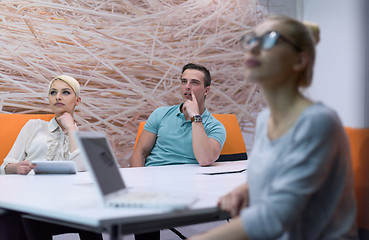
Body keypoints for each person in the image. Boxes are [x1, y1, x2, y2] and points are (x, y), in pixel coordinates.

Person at [190, 15, 357, 240]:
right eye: (251, 40)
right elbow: (278, 177)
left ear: (299, 61)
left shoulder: (318, 122)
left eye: (270, 39)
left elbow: (275, 217)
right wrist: (247, 189)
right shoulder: (264, 120)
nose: (254, 48)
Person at [129, 63, 227, 240]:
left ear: (206, 90)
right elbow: (139, 152)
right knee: (143, 211)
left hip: (187, 187)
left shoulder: (215, 127)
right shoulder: (160, 114)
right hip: (153, 184)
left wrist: (196, 117)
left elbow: (205, 159)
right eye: (184, 81)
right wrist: (139, 184)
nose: (187, 87)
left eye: (195, 82)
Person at [0, 75, 102, 240]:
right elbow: (6, 164)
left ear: (77, 100)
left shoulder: (78, 136)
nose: (58, 97)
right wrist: (16, 168)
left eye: (66, 92)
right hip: (29, 199)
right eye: (53, 92)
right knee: (21, 217)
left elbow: (80, 166)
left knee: (91, 213)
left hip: (65, 203)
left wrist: (70, 128)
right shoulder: (33, 126)